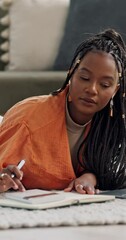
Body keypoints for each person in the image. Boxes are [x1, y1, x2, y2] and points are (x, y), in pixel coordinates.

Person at [0, 28, 125, 194]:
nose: (92, 89)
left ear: (115, 91)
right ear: (71, 73)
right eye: (84, 78)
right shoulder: (27, 120)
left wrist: (90, 177)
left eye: (105, 85)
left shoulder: (110, 126)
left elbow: (108, 168)